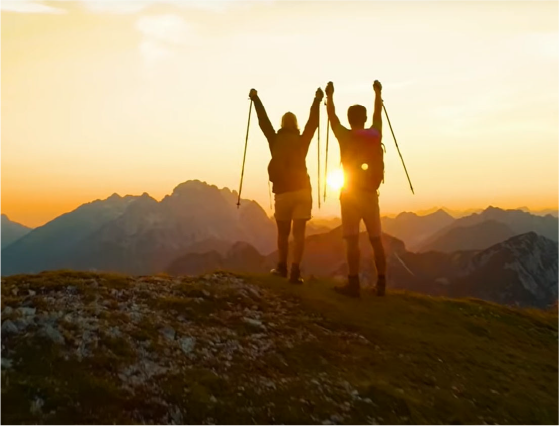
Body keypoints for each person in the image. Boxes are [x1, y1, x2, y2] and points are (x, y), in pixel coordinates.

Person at [248, 87, 324, 284]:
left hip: (282, 193)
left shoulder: (275, 139)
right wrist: (317, 100)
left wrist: (256, 99)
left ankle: (281, 267)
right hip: (302, 191)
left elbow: (263, 121)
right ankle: (295, 272)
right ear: (295, 125)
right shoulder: (301, 140)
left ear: (282, 124)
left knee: (283, 233)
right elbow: (313, 124)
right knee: (299, 235)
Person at [325, 80, 387, 297]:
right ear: (365, 119)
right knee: (376, 239)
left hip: (350, 195)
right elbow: (378, 114)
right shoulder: (374, 134)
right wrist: (378, 93)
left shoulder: (345, 136)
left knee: (352, 241)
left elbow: (332, 118)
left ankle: (353, 284)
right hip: (370, 194)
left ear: (350, 120)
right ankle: (381, 283)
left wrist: (329, 96)